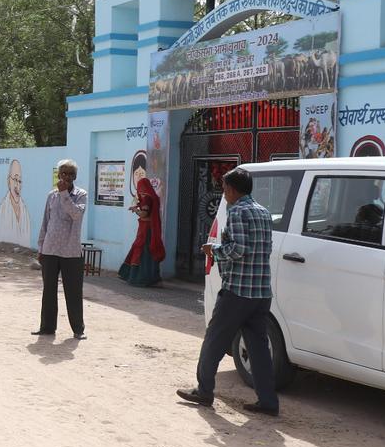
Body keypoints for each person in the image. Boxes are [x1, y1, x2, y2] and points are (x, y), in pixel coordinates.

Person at [177, 168, 280, 416]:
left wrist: (214, 250)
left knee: (214, 340)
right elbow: (263, 248)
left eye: (224, 189)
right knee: (258, 348)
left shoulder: (237, 212)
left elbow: (238, 249)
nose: (224, 194)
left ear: (232, 190)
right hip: (261, 292)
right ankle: (268, 401)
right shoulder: (264, 212)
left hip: (237, 291)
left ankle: (204, 391)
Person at [33, 159, 88, 339]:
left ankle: (78, 330)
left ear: (75, 177)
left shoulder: (81, 195)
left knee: (73, 291)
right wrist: (41, 246)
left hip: (70, 251)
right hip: (49, 249)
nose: (66, 177)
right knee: (48, 290)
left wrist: (65, 194)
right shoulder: (51, 195)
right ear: (58, 175)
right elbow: (45, 222)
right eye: (63, 173)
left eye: (70, 174)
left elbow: (76, 214)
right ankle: (47, 327)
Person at [118, 177, 165, 287]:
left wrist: (135, 210)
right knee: (147, 252)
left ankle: (141, 278)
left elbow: (144, 214)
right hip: (148, 228)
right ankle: (153, 278)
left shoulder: (147, 198)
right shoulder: (153, 197)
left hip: (146, 230)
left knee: (142, 251)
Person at [0, 159, 33, 246]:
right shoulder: (3, 209)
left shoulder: (25, 212)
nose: (17, 186)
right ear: (9, 181)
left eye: (20, 181)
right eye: (15, 179)